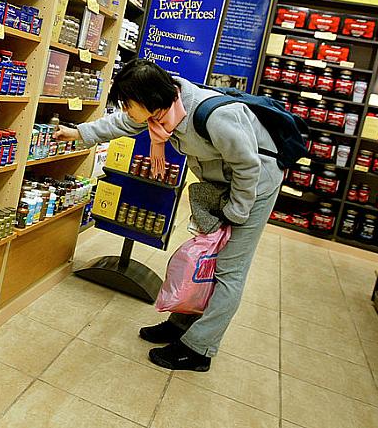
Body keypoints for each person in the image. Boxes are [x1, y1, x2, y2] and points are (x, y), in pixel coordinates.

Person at [55, 60, 283, 372]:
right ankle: (180, 325)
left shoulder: (215, 117)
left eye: (128, 102)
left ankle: (199, 348)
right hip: (220, 183)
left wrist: (236, 212)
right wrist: (77, 133)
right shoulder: (163, 110)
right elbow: (120, 124)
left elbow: (248, 166)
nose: (125, 109)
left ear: (147, 100)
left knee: (229, 269)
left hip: (256, 187)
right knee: (207, 259)